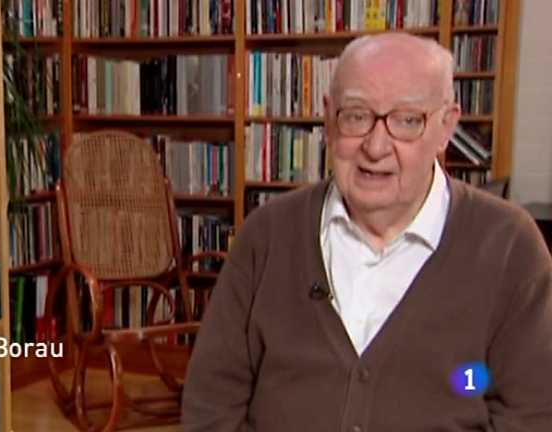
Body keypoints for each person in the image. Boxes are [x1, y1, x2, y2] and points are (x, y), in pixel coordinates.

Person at [181, 33, 552, 431]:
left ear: (446, 127)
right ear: (329, 119)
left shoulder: (509, 245)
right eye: (356, 116)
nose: (376, 147)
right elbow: (212, 404)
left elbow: (531, 414)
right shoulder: (267, 234)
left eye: (407, 121)